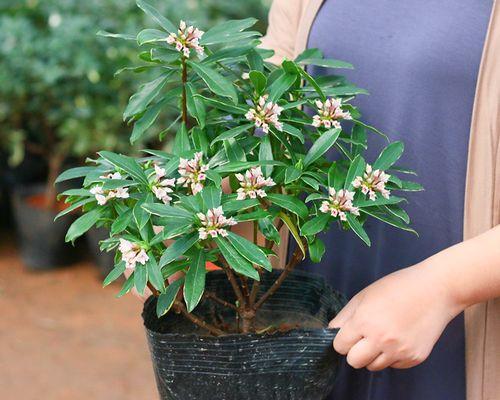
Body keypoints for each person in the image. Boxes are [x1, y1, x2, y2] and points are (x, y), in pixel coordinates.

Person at [260, 1, 500, 400]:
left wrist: (442, 287)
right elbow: (263, 115)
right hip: (311, 334)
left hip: (455, 348)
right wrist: (191, 217)